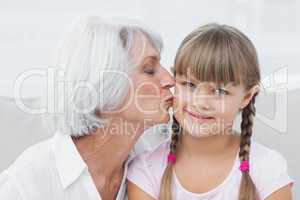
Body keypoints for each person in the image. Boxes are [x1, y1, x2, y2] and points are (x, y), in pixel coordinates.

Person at [0, 16, 174, 200]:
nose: (170, 79)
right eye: (149, 69)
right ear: (106, 87)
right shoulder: (27, 184)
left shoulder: (153, 163)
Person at [127, 23, 294, 200]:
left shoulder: (267, 168)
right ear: (174, 79)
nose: (201, 103)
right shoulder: (145, 170)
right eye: (189, 85)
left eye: (219, 91)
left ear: (246, 97)